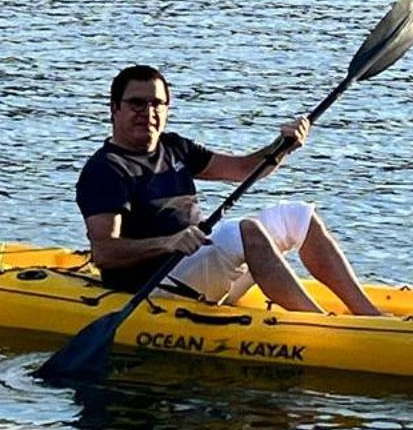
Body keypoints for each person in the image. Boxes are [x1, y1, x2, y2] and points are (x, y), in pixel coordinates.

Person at [76, 64, 382, 315]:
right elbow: (104, 253)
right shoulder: (105, 170)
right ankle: (318, 326)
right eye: (136, 103)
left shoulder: (174, 147)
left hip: (196, 267)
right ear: (114, 109)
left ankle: (371, 317)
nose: (148, 111)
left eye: (156, 103)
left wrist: (284, 145)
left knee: (297, 215)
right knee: (244, 230)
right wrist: (169, 243)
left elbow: (243, 169)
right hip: (153, 287)